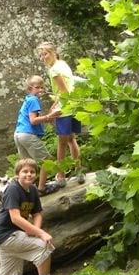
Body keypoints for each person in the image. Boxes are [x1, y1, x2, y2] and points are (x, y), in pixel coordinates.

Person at [36, 41, 85, 186]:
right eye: (40, 55)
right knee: (72, 139)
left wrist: (56, 109)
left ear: (53, 53)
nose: (42, 58)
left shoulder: (53, 70)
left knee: (62, 143)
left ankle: (61, 175)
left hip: (64, 110)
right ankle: (79, 171)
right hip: (74, 105)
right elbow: (67, 89)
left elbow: (64, 92)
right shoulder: (63, 64)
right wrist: (52, 106)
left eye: (45, 54)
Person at [13, 75, 62, 195]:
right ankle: (41, 188)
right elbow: (33, 120)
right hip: (27, 135)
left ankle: (24, 190)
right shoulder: (34, 100)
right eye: (37, 87)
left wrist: (47, 118)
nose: (40, 90)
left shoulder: (28, 99)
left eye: (42, 87)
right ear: (29, 89)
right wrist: (49, 117)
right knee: (47, 161)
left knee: (26, 164)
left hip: (19, 134)